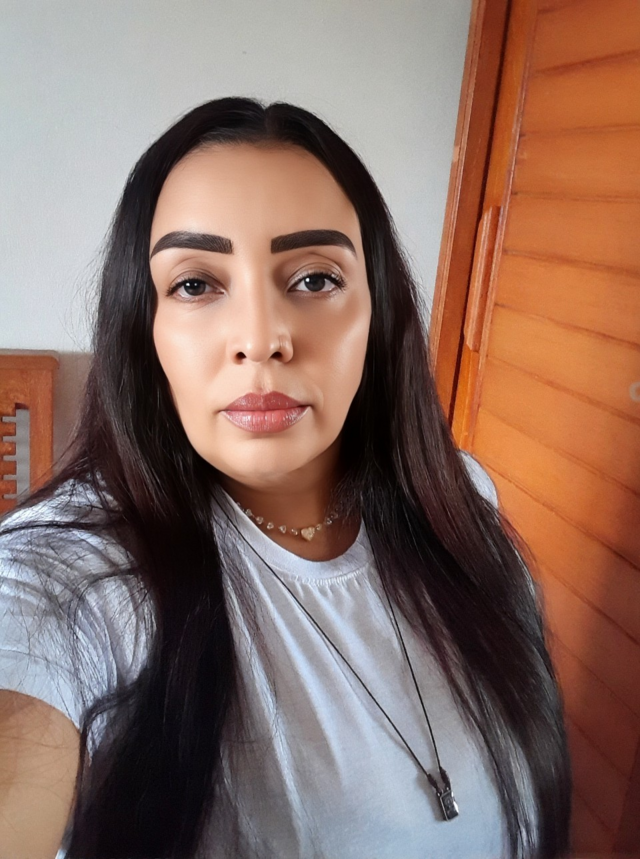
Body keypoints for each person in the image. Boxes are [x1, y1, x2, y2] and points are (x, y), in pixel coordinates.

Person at [0, 98, 571, 859]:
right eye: (196, 285)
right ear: (146, 330)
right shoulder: (74, 575)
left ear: (378, 313)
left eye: (314, 278)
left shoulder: (461, 502)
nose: (261, 338)